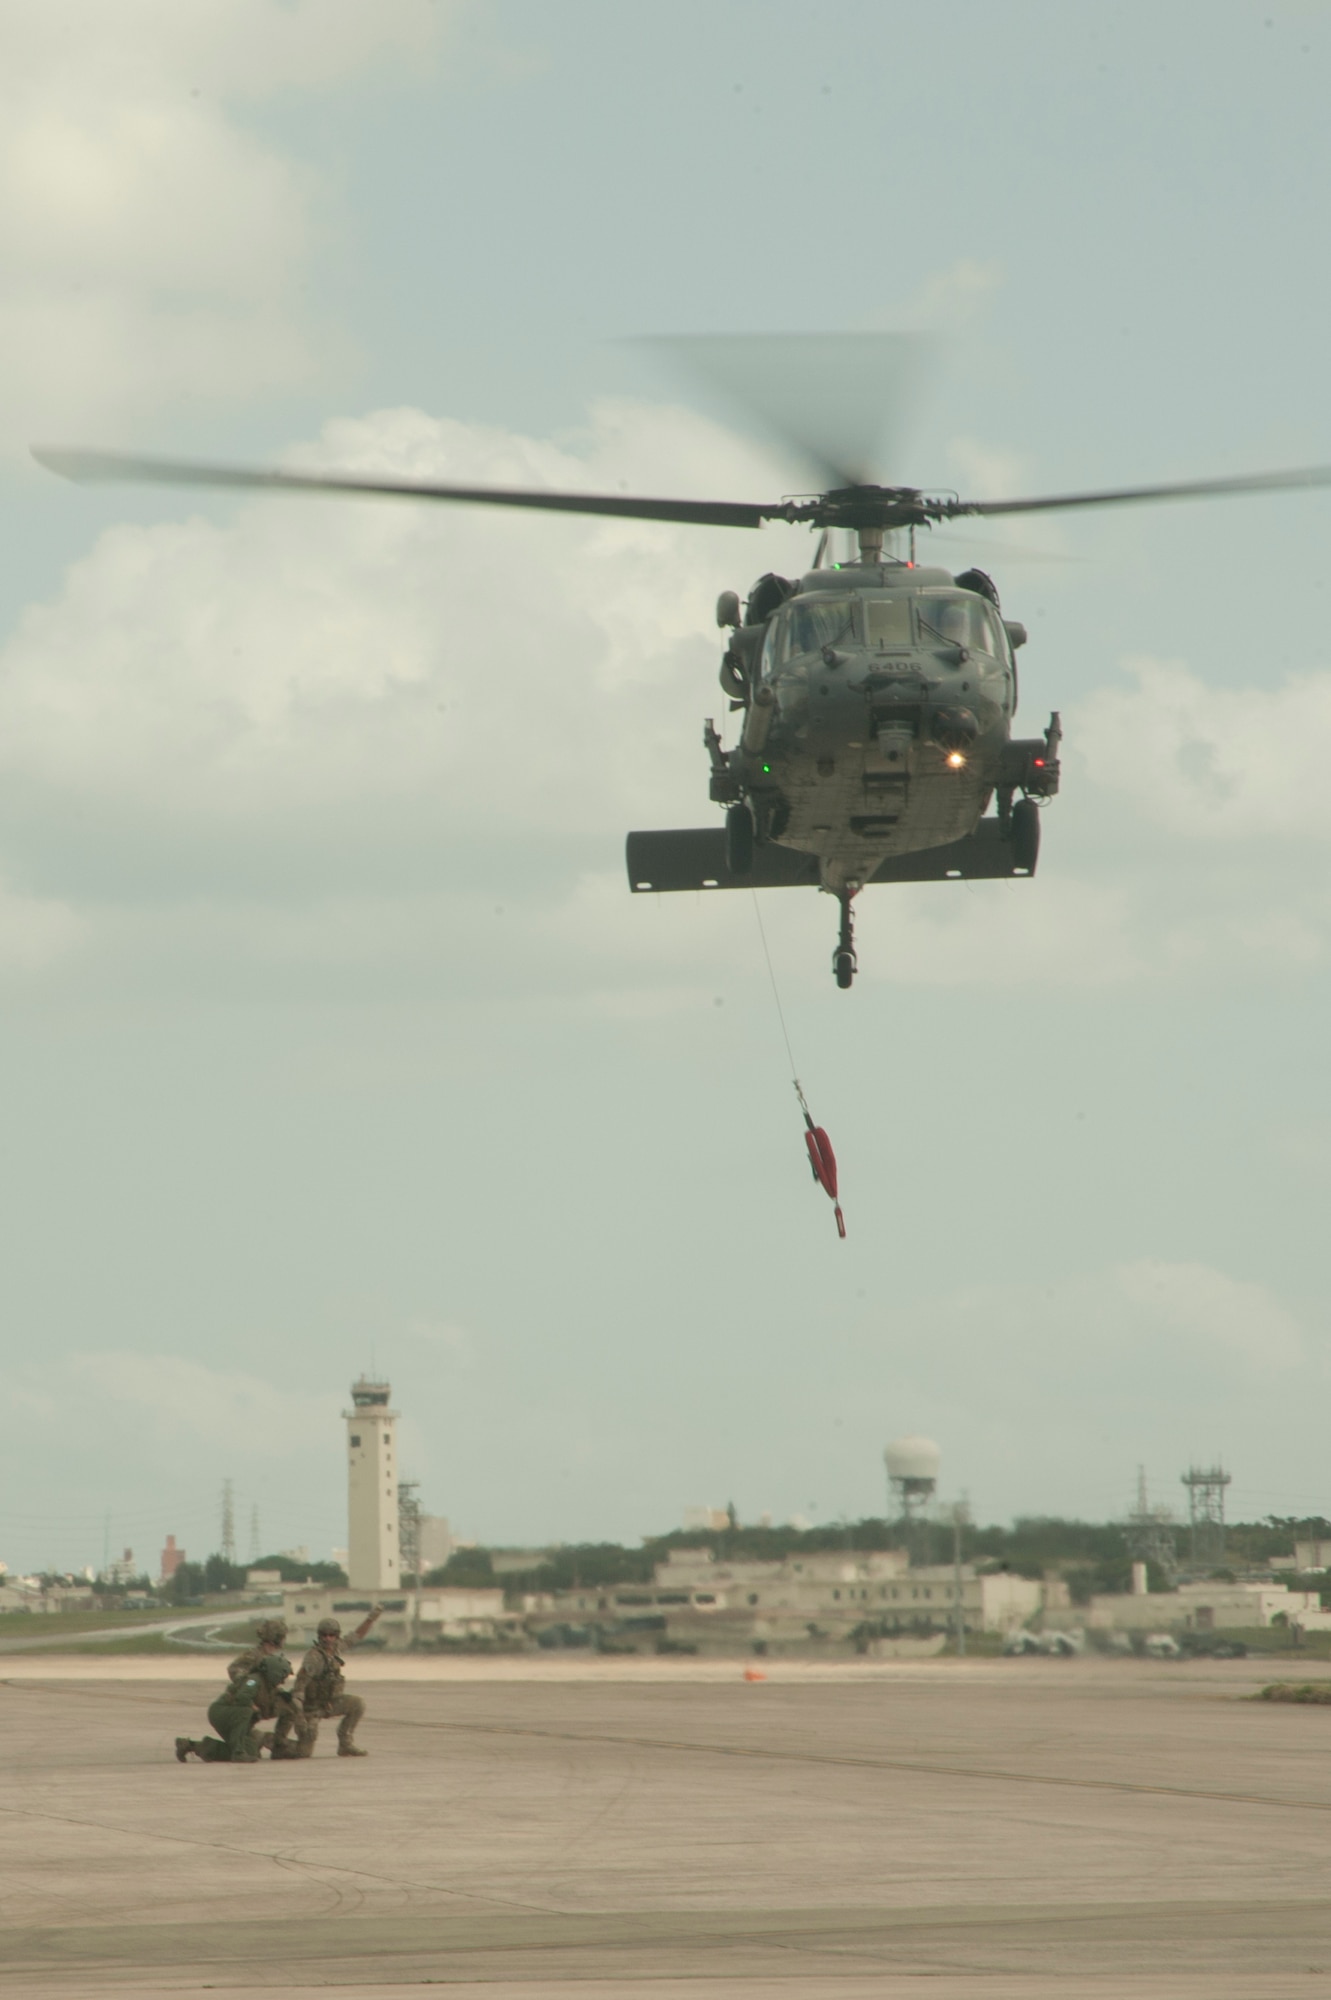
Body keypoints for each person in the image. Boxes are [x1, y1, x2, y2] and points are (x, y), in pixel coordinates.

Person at [271, 1604, 384, 1759]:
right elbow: (299, 1687)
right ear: (319, 1636)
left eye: (331, 1635)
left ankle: (345, 1743)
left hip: (329, 1703)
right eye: (324, 1635)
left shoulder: (336, 1648)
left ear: (336, 1636)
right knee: (303, 1753)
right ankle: (266, 1740)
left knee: (357, 1704)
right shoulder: (314, 1658)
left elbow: (356, 1636)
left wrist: (371, 1619)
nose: (327, 1638)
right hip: (310, 1708)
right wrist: (300, 1717)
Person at [176, 1625, 294, 1763]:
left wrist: (279, 1692)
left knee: (253, 1751)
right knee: (245, 1711)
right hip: (238, 1705)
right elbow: (235, 1671)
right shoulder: (254, 1656)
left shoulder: (272, 1659)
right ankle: (237, 1751)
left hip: (252, 1702)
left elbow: (268, 1684)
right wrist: (246, 1684)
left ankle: (196, 1746)